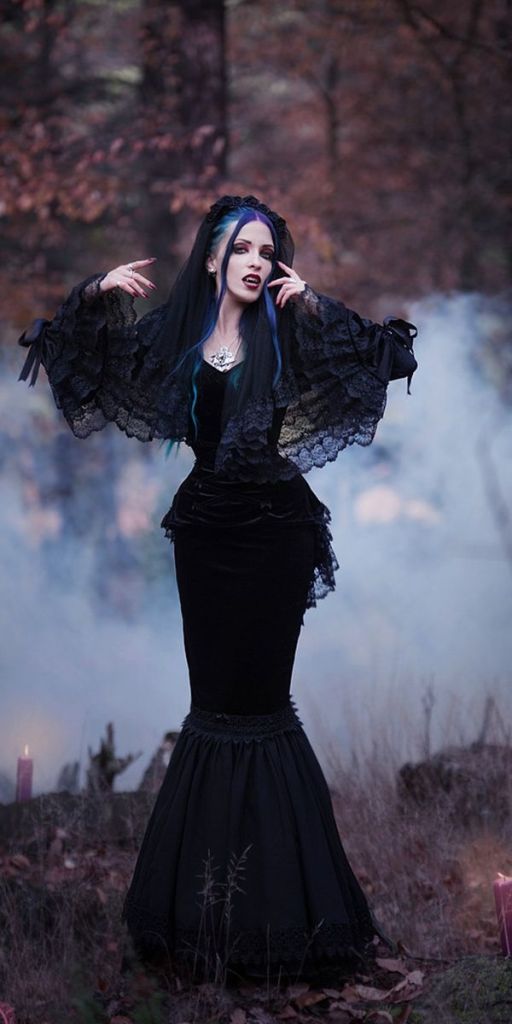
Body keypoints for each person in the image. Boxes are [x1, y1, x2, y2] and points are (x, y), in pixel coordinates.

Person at [18, 194, 418, 983]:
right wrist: (95, 291)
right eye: (243, 248)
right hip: (205, 539)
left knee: (263, 710)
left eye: (268, 251)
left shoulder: (288, 332)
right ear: (212, 258)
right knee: (212, 710)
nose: (257, 261)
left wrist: (315, 305)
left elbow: (387, 361)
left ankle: (295, 917)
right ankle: (205, 917)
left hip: (275, 535)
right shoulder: (176, 341)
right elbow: (80, 365)